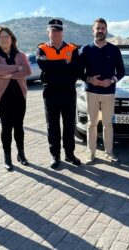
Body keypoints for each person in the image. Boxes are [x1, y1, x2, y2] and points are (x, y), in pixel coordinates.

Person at [79, 18, 125, 164]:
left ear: (106, 30)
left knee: (107, 124)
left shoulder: (114, 49)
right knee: (92, 123)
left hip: (108, 93)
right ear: (93, 30)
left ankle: (109, 153)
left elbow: (121, 71)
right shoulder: (85, 49)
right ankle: (91, 153)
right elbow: (79, 71)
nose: (100, 31)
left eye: (103, 28)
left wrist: (111, 80)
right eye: (97, 28)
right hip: (91, 92)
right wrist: (89, 79)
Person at [37, 19, 81, 169]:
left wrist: (53, 65)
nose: (56, 34)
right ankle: (55, 156)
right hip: (50, 93)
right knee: (53, 126)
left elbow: (76, 69)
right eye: (53, 31)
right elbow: (43, 64)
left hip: (68, 92)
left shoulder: (72, 48)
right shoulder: (42, 48)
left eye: (58, 31)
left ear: (62, 32)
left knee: (69, 125)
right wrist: (64, 63)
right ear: (48, 32)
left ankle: (69, 154)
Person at [0, 26, 31, 171]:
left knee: (19, 125)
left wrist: (11, 74)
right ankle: (7, 157)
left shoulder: (21, 54)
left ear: (12, 39)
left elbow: (27, 71)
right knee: (6, 126)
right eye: (1, 37)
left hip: (19, 94)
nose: (4, 39)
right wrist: (16, 68)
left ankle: (21, 154)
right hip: (2, 95)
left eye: (7, 36)